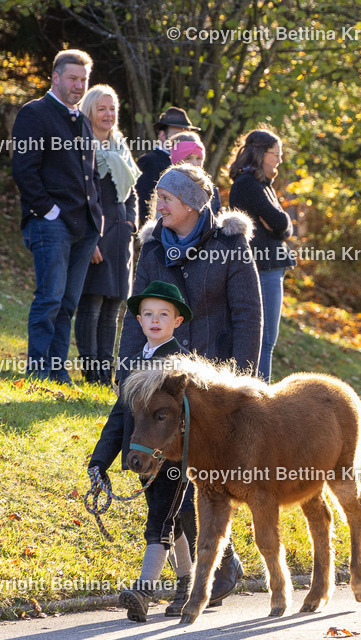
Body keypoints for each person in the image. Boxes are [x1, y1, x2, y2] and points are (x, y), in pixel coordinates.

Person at [120, 163, 263, 605]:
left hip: (215, 386)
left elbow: (248, 315)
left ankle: (216, 567)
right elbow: (137, 313)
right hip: (163, 381)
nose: (156, 203)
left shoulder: (230, 244)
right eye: (157, 196)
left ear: (192, 204)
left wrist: (243, 380)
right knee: (175, 473)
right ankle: (218, 567)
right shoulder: (152, 247)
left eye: (166, 197)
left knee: (210, 474)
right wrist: (128, 374)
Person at [88, 281, 195, 621]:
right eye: (147, 313)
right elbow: (119, 417)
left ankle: (144, 591)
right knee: (172, 520)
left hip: (174, 459)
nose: (154, 320)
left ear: (177, 321)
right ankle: (186, 587)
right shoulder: (132, 363)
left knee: (159, 521)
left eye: (164, 314)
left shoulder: (181, 367)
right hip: (142, 458)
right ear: (138, 319)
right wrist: (100, 460)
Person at [11, 49, 103, 383]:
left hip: (85, 227)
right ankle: (38, 371)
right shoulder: (34, 113)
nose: (79, 85)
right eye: (73, 78)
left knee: (67, 303)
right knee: (49, 299)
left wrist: (96, 220)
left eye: (84, 80)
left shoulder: (82, 120)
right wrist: (48, 211)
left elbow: (88, 174)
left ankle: (57, 372)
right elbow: (24, 169)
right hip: (49, 223)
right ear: (55, 77)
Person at [75, 84, 141, 385]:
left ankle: (105, 374)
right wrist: (90, 238)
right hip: (94, 237)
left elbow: (131, 194)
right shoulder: (80, 146)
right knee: (91, 305)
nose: (108, 114)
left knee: (114, 306)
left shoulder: (120, 147)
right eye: (102, 108)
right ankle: (91, 373)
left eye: (112, 108)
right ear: (89, 110)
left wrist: (130, 224)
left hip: (120, 240)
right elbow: (76, 196)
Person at [228, 129, 296, 382]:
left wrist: (280, 225)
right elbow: (279, 222)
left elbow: (285, 226)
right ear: (259, 153)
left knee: (267, 339)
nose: (279, 160)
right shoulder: (248, 185)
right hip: (262, 268)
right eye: (275, 154)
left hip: (271, 267)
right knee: (265, 339)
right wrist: (279, 224)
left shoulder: (262, 184)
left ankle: (258, 394)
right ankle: (258, 397)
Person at [135, 107, 201, 224]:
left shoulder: (193, 164)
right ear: (162, 135)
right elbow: (143, 201)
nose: (181, 139)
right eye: (176, 134)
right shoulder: (150, 161)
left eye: (185, 133)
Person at [166, 130, 222, 215]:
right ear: (176, 160)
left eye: (199, 158)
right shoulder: (167, 190)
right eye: (188, 158)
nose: (195, 163)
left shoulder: (210, 191)